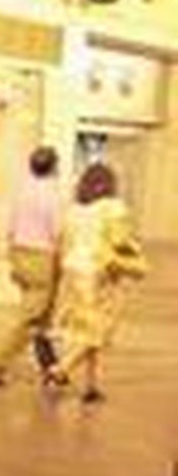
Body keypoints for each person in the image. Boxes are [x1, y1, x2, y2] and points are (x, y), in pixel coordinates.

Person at [44, 162, 148, 403]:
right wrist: (134, 251)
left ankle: (91, 386)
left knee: (88, 329)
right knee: (99, 331)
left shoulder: (74, 210)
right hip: (98, 274)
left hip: (73, 272)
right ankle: (59, 370)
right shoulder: (114, 207)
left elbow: (64, 243)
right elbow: (121, 240)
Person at [0, 146, 64, 386]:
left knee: (41, 317)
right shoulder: (53, 195)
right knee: (30, 318)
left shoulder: (22, 191)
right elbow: (57, 233)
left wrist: (13, 258)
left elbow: (11, 228)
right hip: (41, 258)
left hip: (19, 253)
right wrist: (60, 264)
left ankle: (51, 367)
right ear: (54, 167)